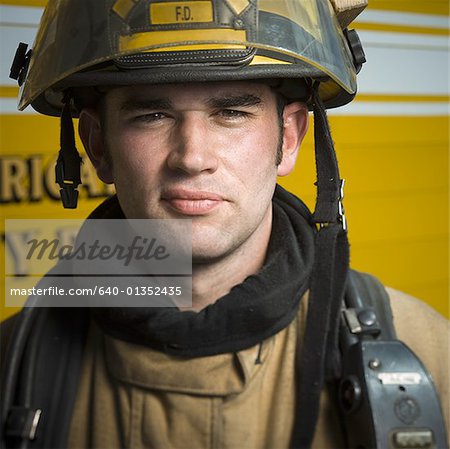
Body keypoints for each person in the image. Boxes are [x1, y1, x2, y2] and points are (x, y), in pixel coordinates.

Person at [1, 0, 449, 448]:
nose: (192, 158)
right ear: (98, 146)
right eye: (152, 115)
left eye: (231, 113)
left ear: (288, 138)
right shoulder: (14, 365)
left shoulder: (421, 350)